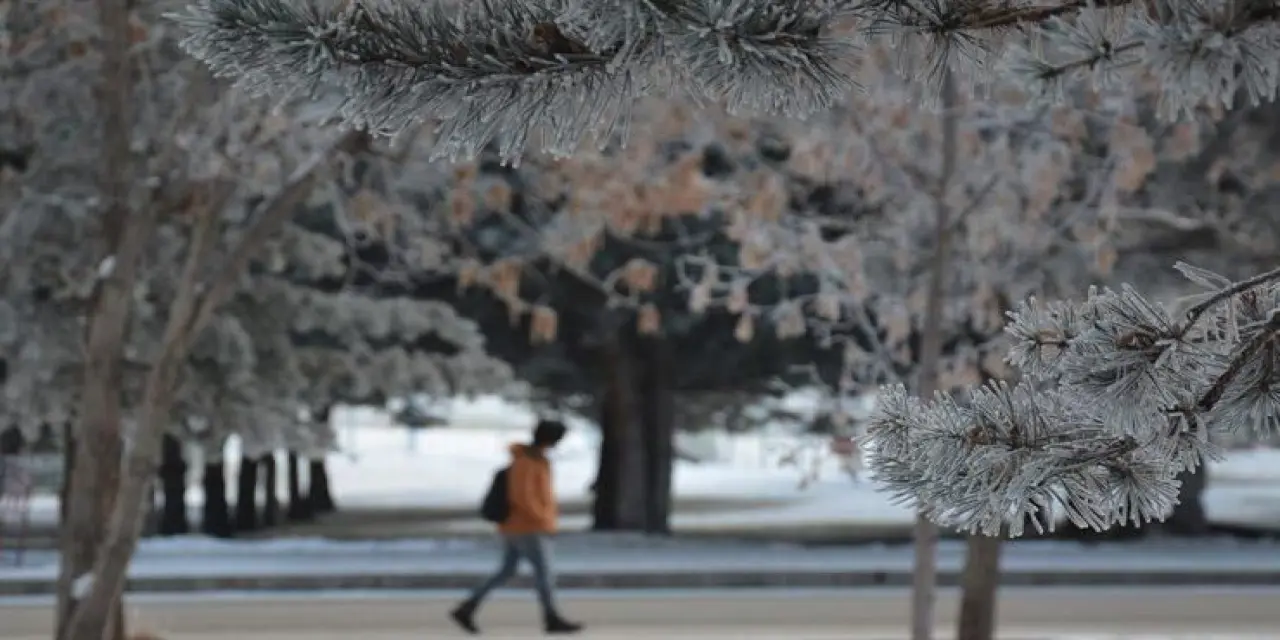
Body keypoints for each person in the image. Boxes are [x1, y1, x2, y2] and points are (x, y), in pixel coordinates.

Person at [450, 419, 583, 635]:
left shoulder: (536, 460)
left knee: (506, 571)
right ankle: (551, 618)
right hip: (527, 528)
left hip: (520, 527)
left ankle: (467, 608)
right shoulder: (527, 462)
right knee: (544, 574)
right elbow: (522, 496)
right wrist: (542, 520)